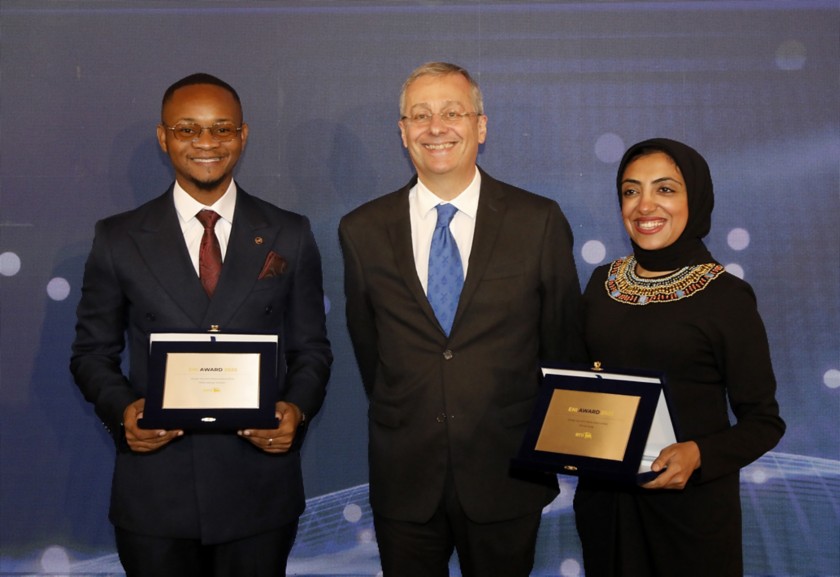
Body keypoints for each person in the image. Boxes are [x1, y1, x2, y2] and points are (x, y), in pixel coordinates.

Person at [70, 73, 332, 577]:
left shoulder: (289, 232)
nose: (207, 143)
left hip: (257, 490)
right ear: (163, 137)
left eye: (222, 129)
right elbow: (91, 355)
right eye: (188, 130)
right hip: (155, 494)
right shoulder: (118, 238)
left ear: (243, 135)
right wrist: (123, 411)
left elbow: (312, 350)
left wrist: (296, 411)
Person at [338, 62, 583, 577]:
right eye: (420, 115)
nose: (436, 127)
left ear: (481, 125)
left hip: (507, 475)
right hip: (405, 479)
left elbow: (562, 348)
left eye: (453, 112)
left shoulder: (537, 221)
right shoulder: (361, 230)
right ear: (403, 132)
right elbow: (371, 352)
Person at [575, 138, 785, 576]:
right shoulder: (601, 284)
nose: (645, 205)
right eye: (631, 191)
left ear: (697, 198)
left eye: (665, 189)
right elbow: (578, 388)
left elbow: (764, 421)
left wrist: (699, 454)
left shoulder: (726, 296)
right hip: (607, 511)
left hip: (691, 518)